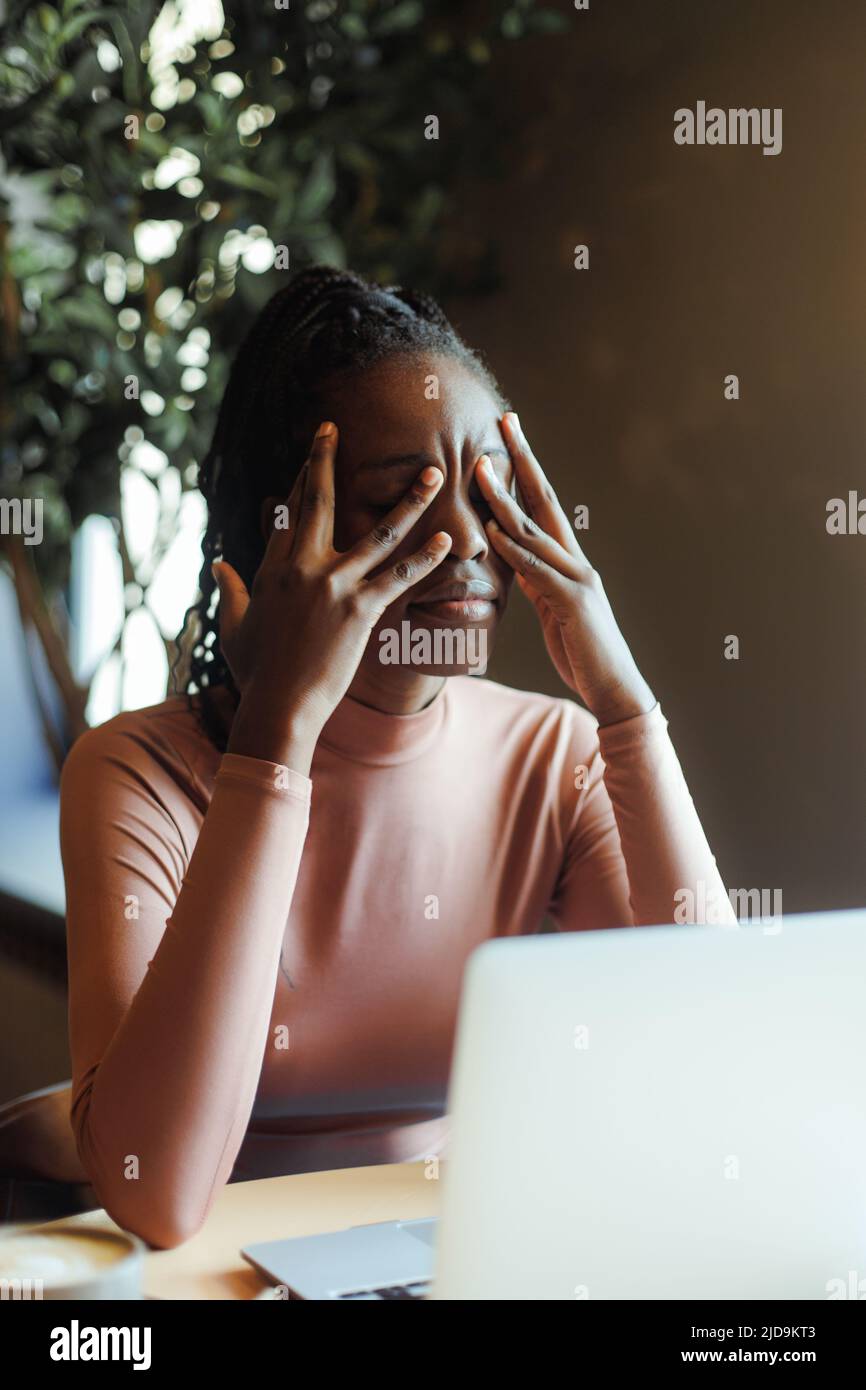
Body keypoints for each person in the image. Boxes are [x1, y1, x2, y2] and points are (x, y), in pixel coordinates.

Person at [60, 266, 735, 1249]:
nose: (464, 536)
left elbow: (715, 1091)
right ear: (278, 537)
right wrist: (277, 738)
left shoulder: (554, 756)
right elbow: (155, 1194)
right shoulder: (136, 774)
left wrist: (626, 711)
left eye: (488, 492)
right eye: (403, 498)